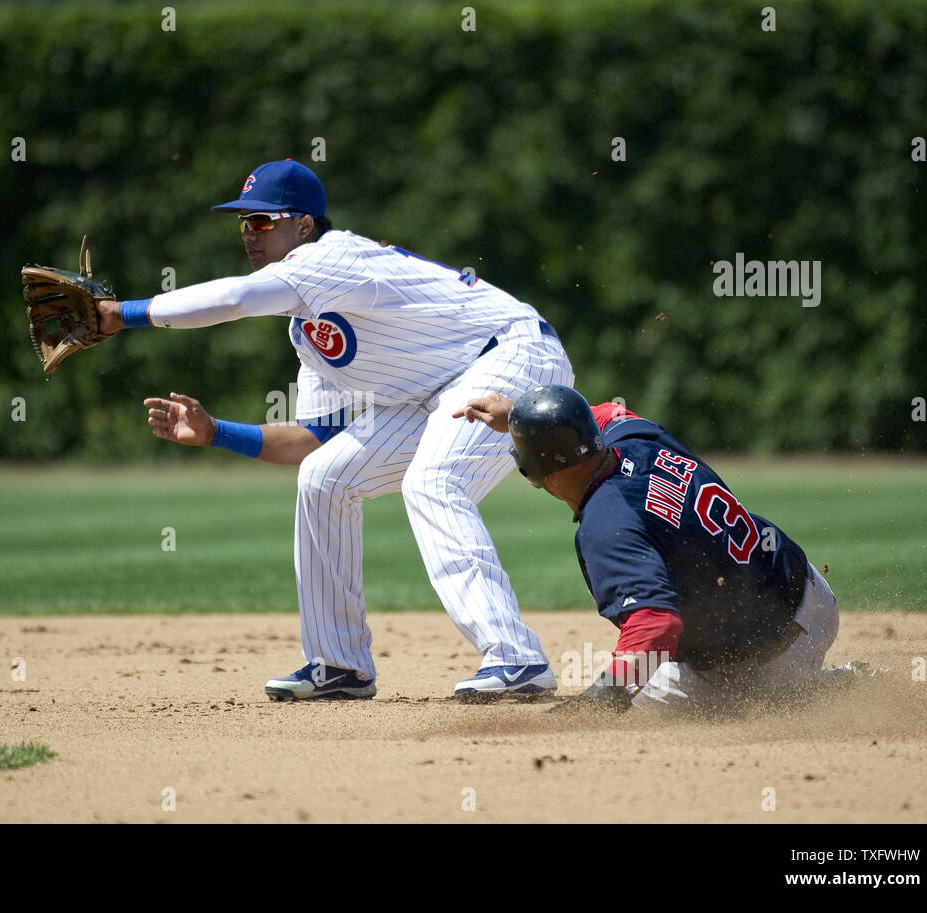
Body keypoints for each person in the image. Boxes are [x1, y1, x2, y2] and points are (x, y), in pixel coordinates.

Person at [91, 159, 574, 701]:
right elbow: (311, 440)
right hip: (439, 391)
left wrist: (120, 314)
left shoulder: (332, 256)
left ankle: (517, 659)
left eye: (263, 221)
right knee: (325, 476)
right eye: (244, 224)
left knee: (432, 481)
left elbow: (235, 299)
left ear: (303, 224)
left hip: (512, 354)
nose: (250, 234)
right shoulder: (307, 329)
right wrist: (215, 432)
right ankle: (340, 664)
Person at [454, 385, 845, 713]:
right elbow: (605, 412)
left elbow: (656, 624)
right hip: (809, 593)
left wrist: (600, 701)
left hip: (773, 659)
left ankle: (815, 696)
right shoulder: (633, 439)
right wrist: (521, 417)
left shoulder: (606, 526)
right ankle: (797, 689)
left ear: (535, 473)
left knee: (652, 695)